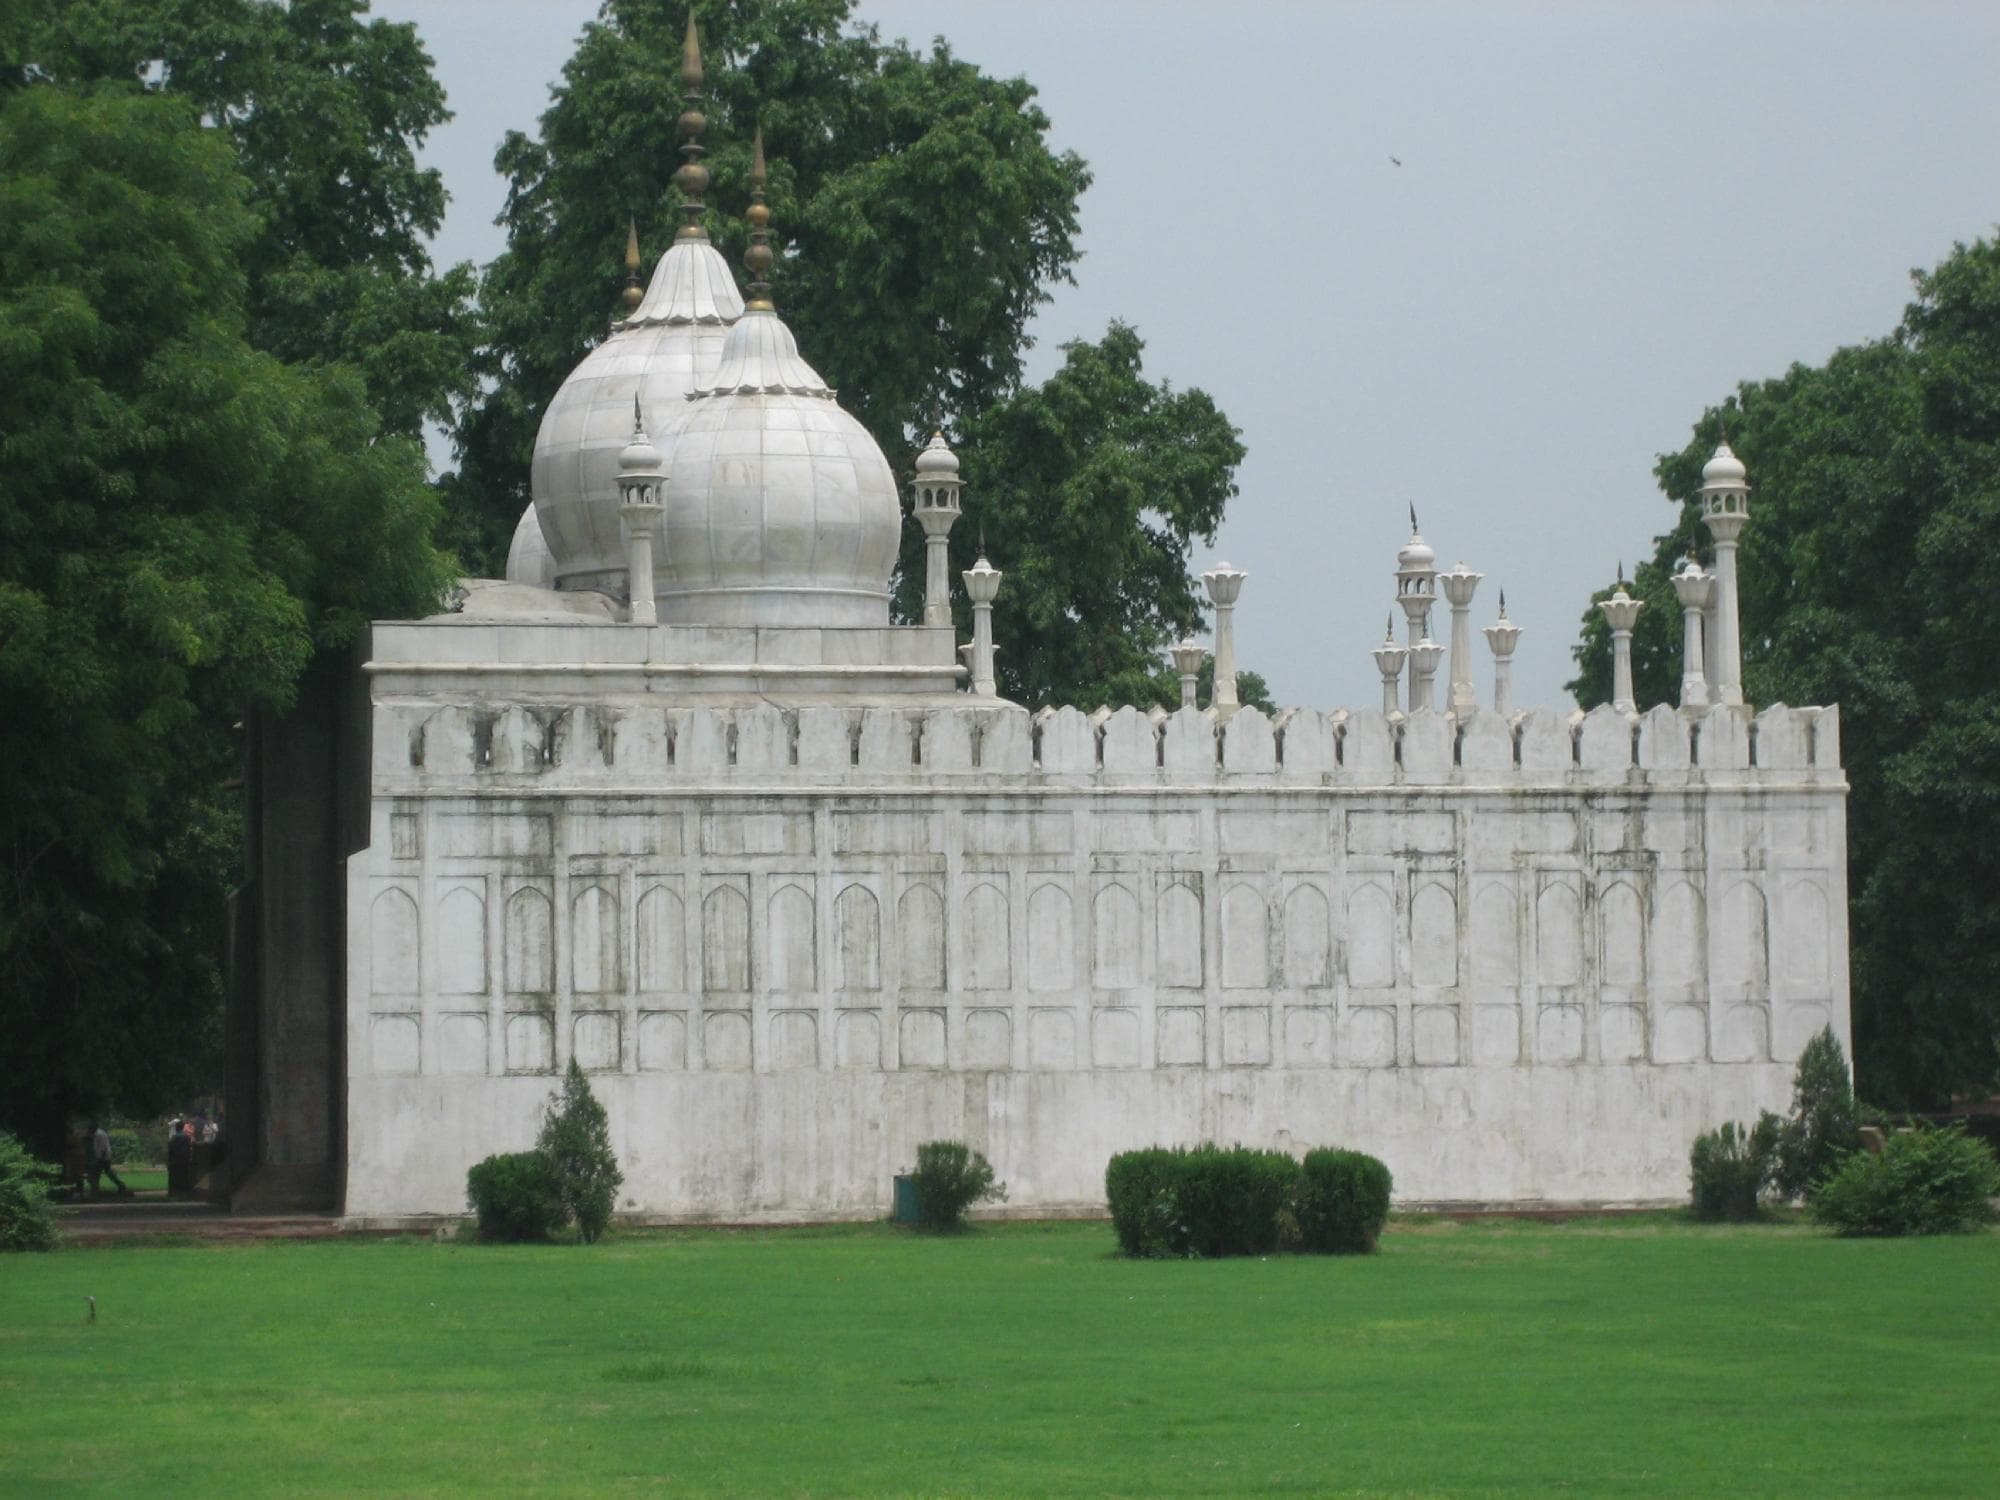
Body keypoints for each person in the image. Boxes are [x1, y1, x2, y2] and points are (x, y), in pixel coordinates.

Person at [88, 1121, 130, 1197]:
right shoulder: (100, 1133)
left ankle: (95, 1190)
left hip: (103, 1157)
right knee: (108, 1172)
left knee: (95, 1173)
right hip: (104, 1156)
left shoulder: (99, 1134)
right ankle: (121, 1185)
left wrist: (100, 1159)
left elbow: (103, 1147)